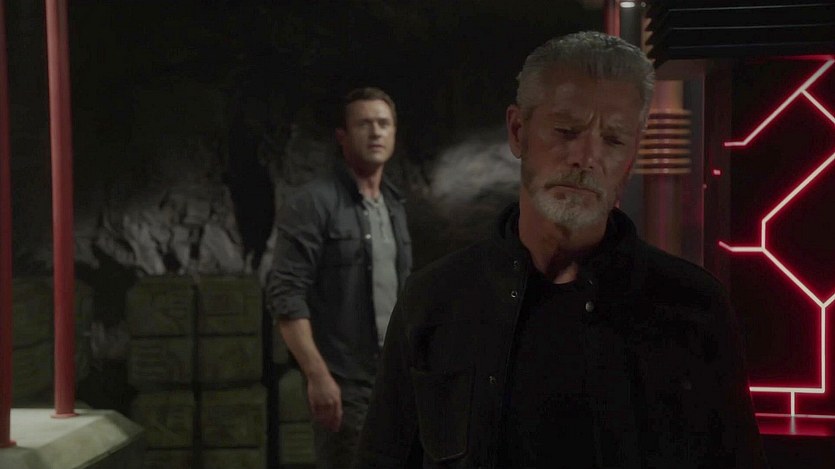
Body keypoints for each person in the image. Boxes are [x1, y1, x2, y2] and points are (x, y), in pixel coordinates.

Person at [356, 31, 767, 468]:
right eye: (567, 131)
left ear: (631, 157)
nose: (586, 157)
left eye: (613, 139)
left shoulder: (694, 307)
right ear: (518, 131)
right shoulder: (434, 301)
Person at [265, 87, 412, 469]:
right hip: (345, 383)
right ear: (342, 137)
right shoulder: (313, 204)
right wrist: (317, 375)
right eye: (364, 124)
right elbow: (286, 295)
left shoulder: (394, 205)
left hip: (394, 377)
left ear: (394, 133)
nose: (376, 132)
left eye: (384, 124)